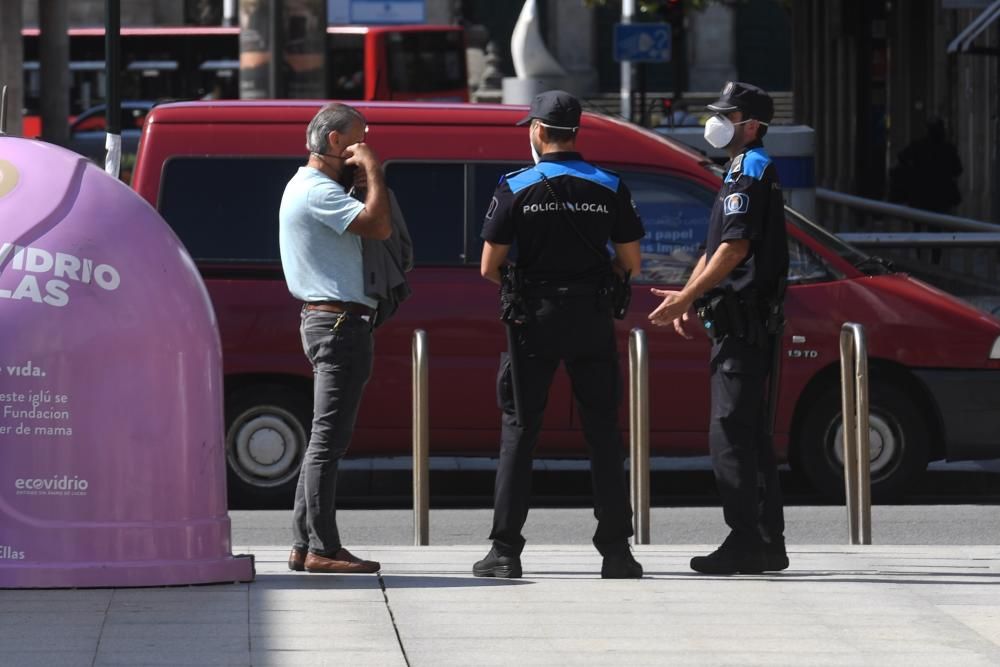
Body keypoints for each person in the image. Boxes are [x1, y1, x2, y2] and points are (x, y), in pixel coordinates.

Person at [474, 90, 646, 579]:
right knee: (603, 436)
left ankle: (505, 552)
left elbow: (491, 266)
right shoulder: (610, 185)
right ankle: (617, 552)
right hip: (591, 315)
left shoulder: (516, 185)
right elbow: (631, 262)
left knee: (521, 431)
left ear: (537, 130)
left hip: (533, 318)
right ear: (576, 131)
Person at [648, 81, 789, 575]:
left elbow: (736, 250)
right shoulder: (737, 169)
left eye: (727, 114)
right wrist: (691, 295)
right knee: (747, 433)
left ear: (750, 124)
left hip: (744, 323)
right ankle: (767, 540)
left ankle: (747, 539)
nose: (717, 122)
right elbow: (715, 248)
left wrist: (687, 298)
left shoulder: (749, 169)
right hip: (736, 318)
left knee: (730, 433)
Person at [278, 102, 391, 574]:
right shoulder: (317, 191)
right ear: (334, 142)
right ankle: (322, 546)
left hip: (331, 321)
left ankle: (305, 543)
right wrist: (373, 171)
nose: (365, 146)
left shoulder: (306, 187)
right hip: (339, 324)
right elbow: (379, 226)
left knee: (322, 439)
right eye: (359, 139)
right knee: (328, 441)